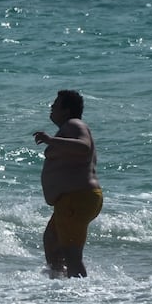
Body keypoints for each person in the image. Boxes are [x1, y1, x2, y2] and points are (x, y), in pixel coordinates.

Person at [33, 90, 103, 278]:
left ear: (66, 110)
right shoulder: (68, 128)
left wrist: (50, 140)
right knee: (52, 241)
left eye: (56, 104)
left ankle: (79, 297)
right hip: (72, 199)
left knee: (72, 255)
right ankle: (62, 287)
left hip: (77, 198)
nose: (52, 107)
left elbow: (84, 146)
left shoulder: (74, 124)